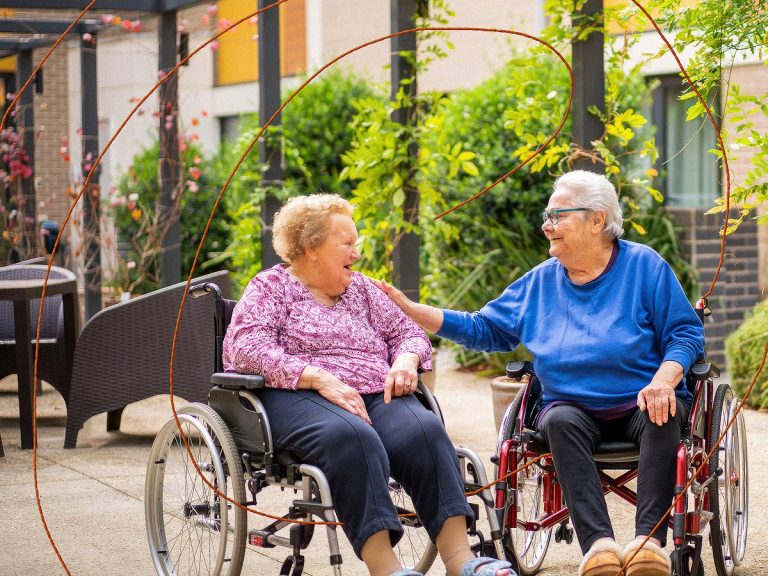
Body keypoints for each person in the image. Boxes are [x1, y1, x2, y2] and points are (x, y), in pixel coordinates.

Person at [375, 170, 705, 576]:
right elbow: (485, 328)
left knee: (664, 411)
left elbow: (685, 332)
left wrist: (664, 379)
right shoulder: (539, 283)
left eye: (558, 215)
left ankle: (646, 546)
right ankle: (599, 546)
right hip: (571, 407)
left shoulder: (644, 267)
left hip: (642, 398)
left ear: (597, 220)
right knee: (561, 420)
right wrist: (412, 310)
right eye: (547, 215)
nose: (547, 225)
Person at [222, 193, 514, 576]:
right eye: (347, 243)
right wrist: (319, 377)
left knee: (424, 432)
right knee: (353, 437)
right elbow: (247, 346)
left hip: (375, 391)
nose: (356, 253)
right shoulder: (271, 288)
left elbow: (409, 333)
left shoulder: (362, 290)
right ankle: (386, 568)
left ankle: (463, 561)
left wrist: (407, 360)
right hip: (298, 394)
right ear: (311, 247)